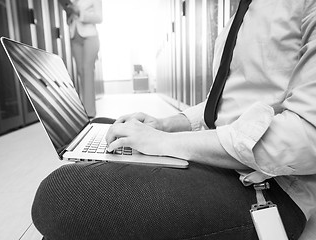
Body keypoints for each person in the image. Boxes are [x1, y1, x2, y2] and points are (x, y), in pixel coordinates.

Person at [31, 0, 316, 239]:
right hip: (226, 158)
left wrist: (166, 142)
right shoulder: (245, 9)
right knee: (110, 126)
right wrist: (166, 125)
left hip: (273, 186)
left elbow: (306, 135)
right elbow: (229, 103)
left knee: (59, 195)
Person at [66, 0, 102, 117]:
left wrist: (79, 12)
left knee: (87, 70)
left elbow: (99, 17)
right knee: (81, 72)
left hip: (90, 36)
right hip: (74, 36)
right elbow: (70, 19)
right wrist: (70, 12)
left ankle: (89, 112)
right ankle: (84, 109)